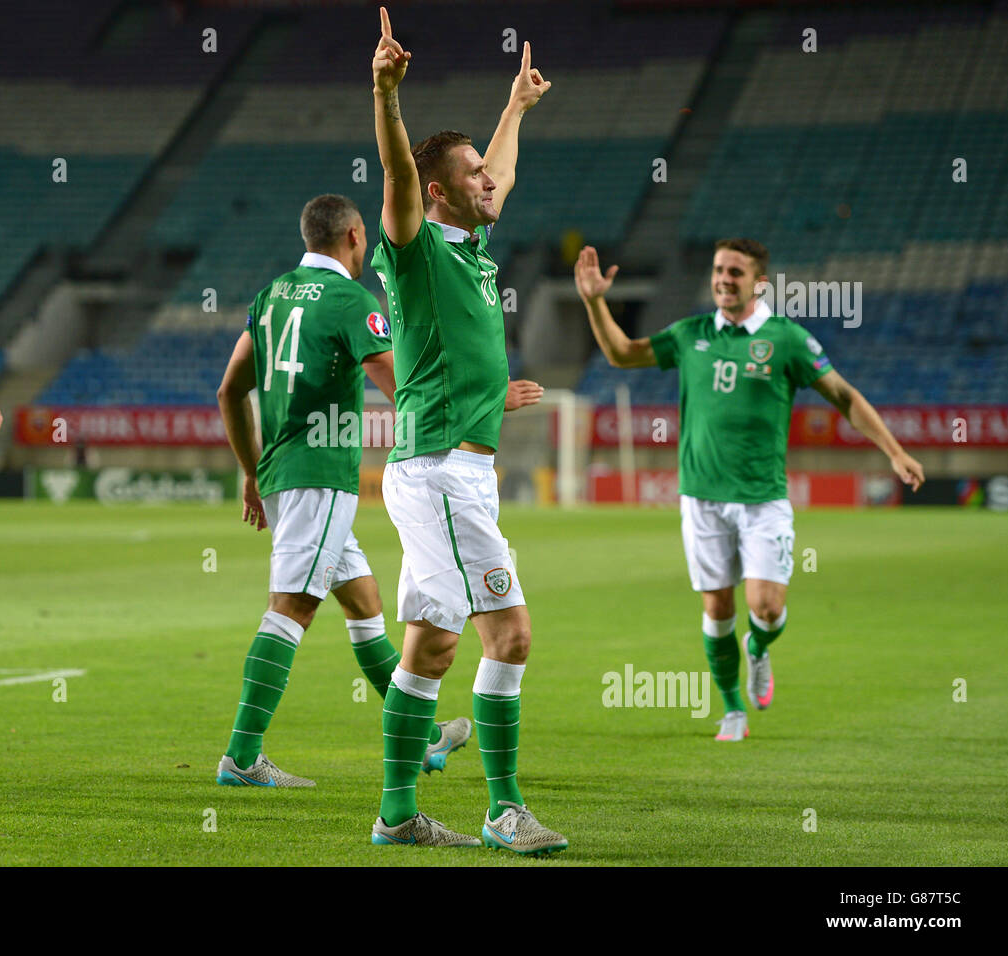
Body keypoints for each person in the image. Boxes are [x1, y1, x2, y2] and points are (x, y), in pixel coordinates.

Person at [575, 239, 925, 741]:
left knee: (766, 607)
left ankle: (758, 649)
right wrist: (593, 300)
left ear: (759, 282)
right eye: (718, 269)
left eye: (734, 272)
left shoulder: (787, 340)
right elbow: (622, 353)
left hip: (763, 498)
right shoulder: (691, 333)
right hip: (701, 497)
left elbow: (844, 397)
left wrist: (894, 451)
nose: (722, 278)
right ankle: (732, 708)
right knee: (717, 609)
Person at [366, 7, 566, 854]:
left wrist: (514, 109)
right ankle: (496, 810)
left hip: (459, 470)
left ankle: (400, 815)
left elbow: (503, 178)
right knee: (486, 636)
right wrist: (386, 95)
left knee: (450, 644)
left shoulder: (474, 249)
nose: (493, 182)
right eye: (474, 173)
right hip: (441, 472)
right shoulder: (416, 247)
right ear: (439, 190)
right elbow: (398, 175)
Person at [214, 193, 476, 787]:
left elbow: (231, 390)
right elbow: (398, 385)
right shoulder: (351, 302)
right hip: (320, 476)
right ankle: (242, 755)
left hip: (282, 473)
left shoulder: (271, 296)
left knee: (363, 603)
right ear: (356, 236)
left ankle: (425, 737)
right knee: (291, 607)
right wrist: (479, 403)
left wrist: (252, 471)